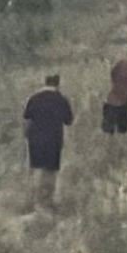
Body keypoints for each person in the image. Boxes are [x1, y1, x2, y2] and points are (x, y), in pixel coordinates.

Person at [23, 74, 74, 209]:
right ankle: (48, 201)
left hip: (35, 139)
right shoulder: (61, 100)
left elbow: (27, 118)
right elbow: (69, 121)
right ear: (58, 84)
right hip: (53, 139)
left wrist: (27, 136)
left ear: (45, 82)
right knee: (51, 171)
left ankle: (34, 201)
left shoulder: (34, 98)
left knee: (36, 169)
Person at [102, 44, 127, 138]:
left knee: (108, 127)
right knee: (122, 127)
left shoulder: (121, 63)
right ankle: (121, 145)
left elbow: (112, 74)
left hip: (114, 97)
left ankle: (109, 143)